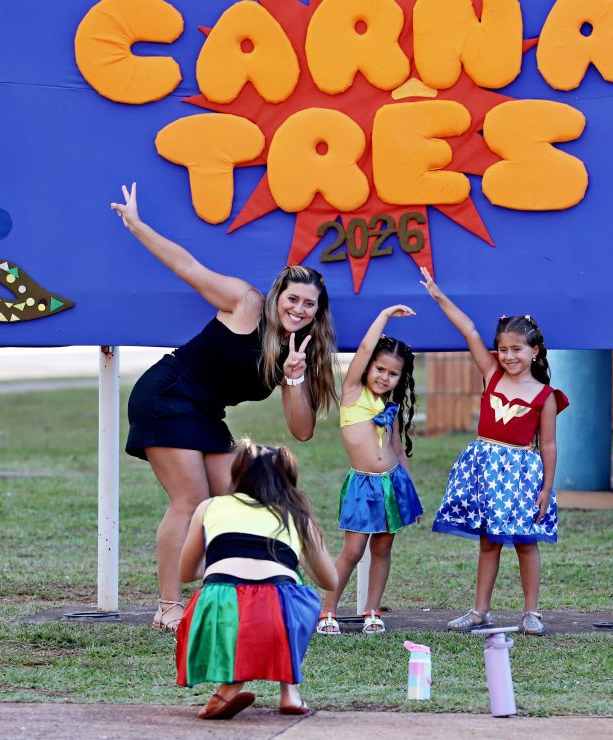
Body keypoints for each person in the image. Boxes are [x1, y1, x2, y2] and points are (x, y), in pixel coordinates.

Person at [110, 183, 338, 633]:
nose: (298, 308)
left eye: (308, 304)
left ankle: (231, 589)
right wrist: (136, 225)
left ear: (317, 312)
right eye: (292, 298)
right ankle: (169, 606)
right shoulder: (246, 302)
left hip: (207, 413)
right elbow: (187, 266)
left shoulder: (303, 350)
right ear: (278, 295)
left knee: (234, 500)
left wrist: (293, 376)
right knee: (191, 500)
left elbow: (302, 430)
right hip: (168, 392)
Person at [419, 268, 568, 636]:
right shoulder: (492, 375)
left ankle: (531, 613)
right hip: (486, 470)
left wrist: (546, 489)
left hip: (520, 475)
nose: (508, 356)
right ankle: (479, 611)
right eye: (503, 349)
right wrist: (438, 296)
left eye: (517, 349)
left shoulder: (545, 396)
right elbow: (469, 330)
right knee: (488, 542)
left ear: (535, 350)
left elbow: (548, 444)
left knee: (525, 543)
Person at [175, 441, 338, 720]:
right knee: (297, 591)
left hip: (218, 607)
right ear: (288, 479)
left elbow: (186, 572)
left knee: (226, 597)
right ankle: (290, 692)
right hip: (278, 612)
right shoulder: (297, 516)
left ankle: (230, 684)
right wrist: (296, 555)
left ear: (237, 474)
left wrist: (222, 559)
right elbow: (329, 580)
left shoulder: (209, 507)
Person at [316, 306, 423, 636]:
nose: (384, 377)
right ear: (368, 366)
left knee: (383, 548)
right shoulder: (352, 393)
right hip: (363, 486)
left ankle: (372, 610)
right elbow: (365, 348)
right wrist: (384, 316)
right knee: (352, 551)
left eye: (392, 374)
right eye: (379, 368)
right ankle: (327, 611)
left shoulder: (387, 406)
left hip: (392, 485)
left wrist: (410, 488)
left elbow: (393, 448)